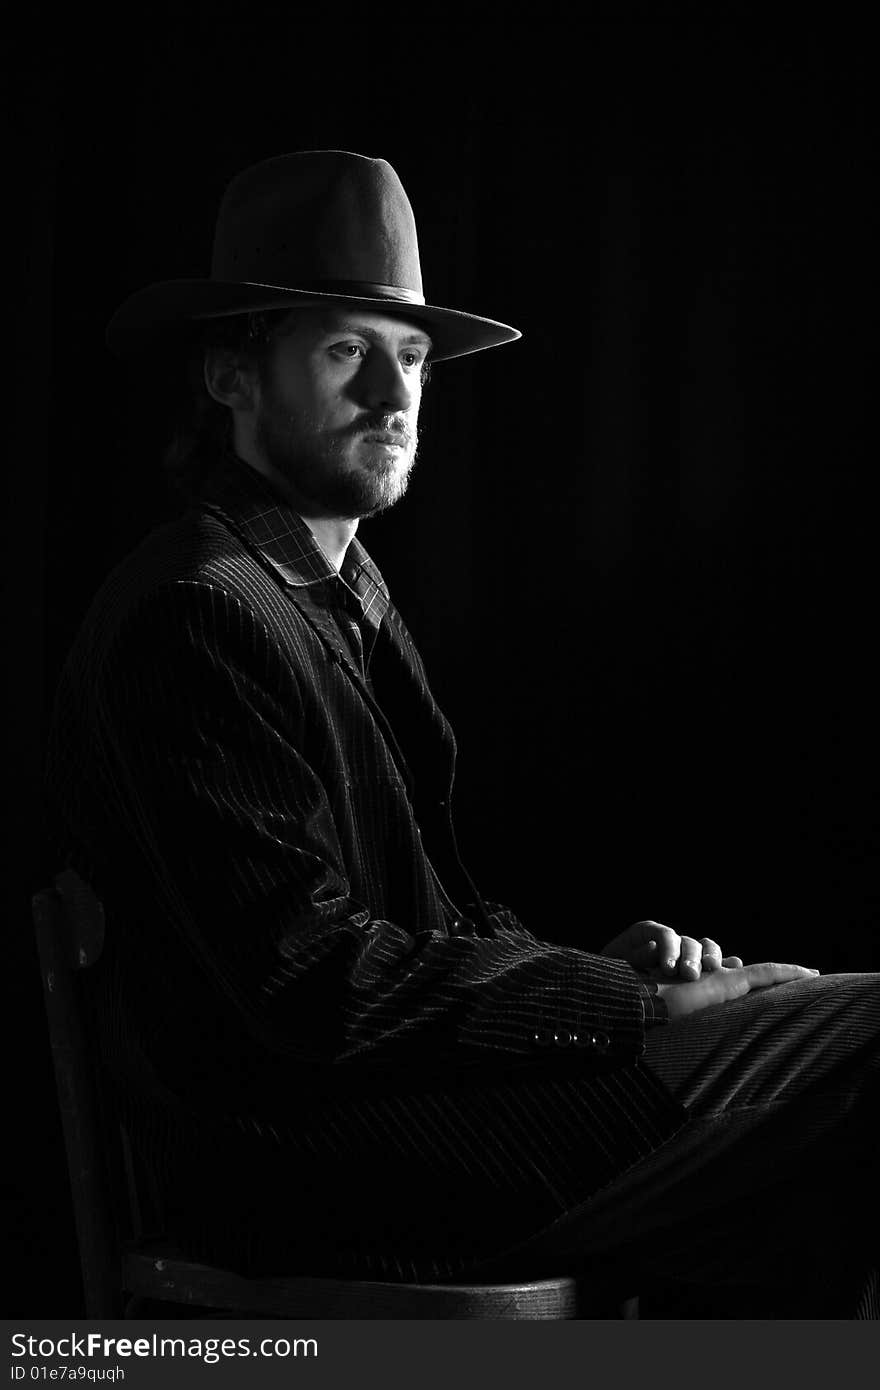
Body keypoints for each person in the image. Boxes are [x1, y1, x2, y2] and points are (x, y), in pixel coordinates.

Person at [46, 150, 879, 1317]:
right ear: (233, 374)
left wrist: (594, 973)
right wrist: (627, 1011)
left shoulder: (336, 591)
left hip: (426, 1113)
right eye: (346, 353)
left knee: (807, 1056)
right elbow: (310, 985)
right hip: (333, 1163)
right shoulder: (199, 613)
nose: (393, 398)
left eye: (413, 359)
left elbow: (416, 922)